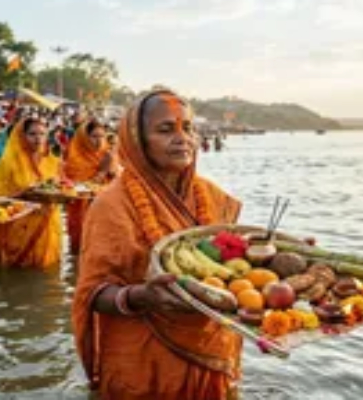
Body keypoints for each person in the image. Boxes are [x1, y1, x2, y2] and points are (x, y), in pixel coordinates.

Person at [71, 90, 243, 399]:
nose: (182, 138)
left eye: (188, 128)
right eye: (166, 130)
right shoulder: (111, 205)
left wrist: (272, 257)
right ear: (138, 141)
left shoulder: (212, 195)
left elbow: (232, 264)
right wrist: (142, 296)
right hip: (144, 361)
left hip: (212, 349)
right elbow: (93, 293)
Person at [0, 117, 63, 269]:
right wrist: (25, 193)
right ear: (22, 136)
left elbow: (62, 186)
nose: (38, 139)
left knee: (46, 270)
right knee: (17, 270)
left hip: (47, 222)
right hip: (18, 224)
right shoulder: (8, 162)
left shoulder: (53, 161)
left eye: (42, 134)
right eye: (32, 134)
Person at [63, 119, 114, 254]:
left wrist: (111, 168)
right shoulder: (74, 158)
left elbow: (118, 184)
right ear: (84, 138)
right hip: (81, 212)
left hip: (104, 210)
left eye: (102, 136)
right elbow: (75, 188)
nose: (99, 141)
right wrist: (102, 172)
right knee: (81, 250)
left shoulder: (107, 155)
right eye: (94, 136)